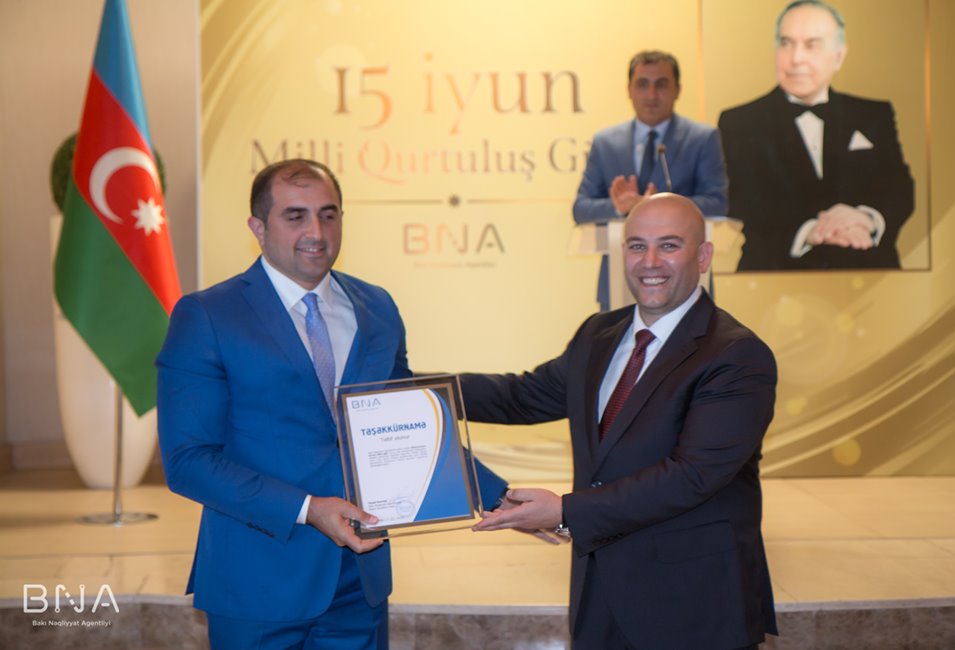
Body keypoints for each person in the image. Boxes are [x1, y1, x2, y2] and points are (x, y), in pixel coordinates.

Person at [156, 159, 507, 650]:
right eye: (295, 216)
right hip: (257, 581)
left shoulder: (377, 307)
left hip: (359, 583)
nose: (316, 232)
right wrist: (308, 509)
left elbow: (408, 421)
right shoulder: (208, 315)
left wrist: (496, 494)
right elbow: (188, 462)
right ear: (257, 227)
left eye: (328, 214)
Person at [464, 193, 778, 649]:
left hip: (695, 608)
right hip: (601, 600)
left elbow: (692, 475)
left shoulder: (736, 355)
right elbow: (521, 397)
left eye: (669, 245)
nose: (650, 262)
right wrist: (420, 391)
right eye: (636, 246)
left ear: (703, 256)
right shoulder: (598, 334)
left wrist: (566, 511)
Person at [718, 0, 914, 271]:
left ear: (839, 55)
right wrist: (810, 231)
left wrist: (865, 219)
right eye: (786, 43)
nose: (796, 58)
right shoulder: (739, 121)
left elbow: (899, 186)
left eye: (812, 45)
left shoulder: (873, 114)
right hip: (774, 276)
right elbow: (739, 199)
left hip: (870, 272)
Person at [574, 50, 728, 310]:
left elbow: (717, 203)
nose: (651, 95)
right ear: (629, 89)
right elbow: (580, 208)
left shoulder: (702, 138)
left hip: (684, 282)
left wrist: (657, 205)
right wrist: (619, 207)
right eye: (642, 84)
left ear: (678, 90)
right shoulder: (606, 143)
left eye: (661, 85)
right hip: (620, 284)